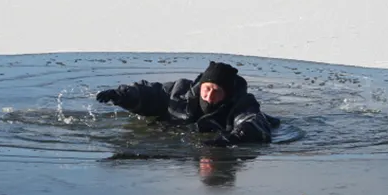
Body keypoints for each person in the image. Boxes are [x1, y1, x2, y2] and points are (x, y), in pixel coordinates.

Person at [95, 61, 277, 146]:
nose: (209, 96)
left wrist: (233, 138)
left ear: (227, 93)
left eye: (217, 91)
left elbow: (251, 121)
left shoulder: (241, 104)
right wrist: (120, 95)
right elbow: (150, 92)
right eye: (207, 89)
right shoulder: (180, 92)